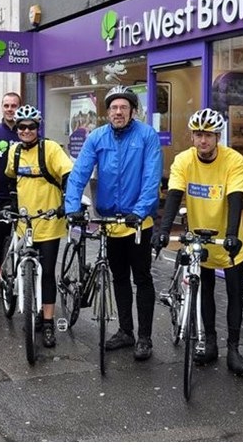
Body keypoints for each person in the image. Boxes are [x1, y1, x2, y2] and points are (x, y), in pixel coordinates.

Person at [65, 85, 162, 361]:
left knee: (141, 278)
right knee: (119, 277)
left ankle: (144, 337)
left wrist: (141, 210)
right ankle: (125, 331)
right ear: (107, 112)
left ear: (132, 110)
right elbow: (79, 173)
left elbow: (151, 177)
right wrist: (72, 207)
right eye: (113, 108)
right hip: (109, 221)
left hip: (137, 223)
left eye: (123, 107)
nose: (118, 112)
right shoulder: (97, 137)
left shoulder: (146, 136)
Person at [153, 108, 243, 375]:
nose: (203, 140)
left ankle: (233, 349)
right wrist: (163, 229)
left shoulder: (234, 160)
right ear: (192, 136)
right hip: (200, 238)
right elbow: (174, 194)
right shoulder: (184, 160)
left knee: (234, 295)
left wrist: (231, 234)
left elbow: (234, 199)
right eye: (198, 134)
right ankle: (210, 343)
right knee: (204, 291)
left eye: (208, 135)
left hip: (228, 240)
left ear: (217, 136)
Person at [5, 105, 72, 348]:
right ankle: (26, 305)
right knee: (23, 270)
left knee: (46, 274)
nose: (25, 130)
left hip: (49, 222)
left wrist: (67, 202)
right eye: (21, 127)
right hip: (24, 223)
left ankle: (47, 323)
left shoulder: (50, 149)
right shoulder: (14, 151)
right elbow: (11, 178)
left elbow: (67, 174)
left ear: (38, 127)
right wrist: (12, 203)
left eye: (30, 127)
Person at [0, 92, 21, 303]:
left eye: (14, 105)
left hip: (24, 196)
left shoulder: (28, 131)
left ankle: (22, 281)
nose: (10, 109)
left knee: (24, 242)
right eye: (6, 105)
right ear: (2, 107)